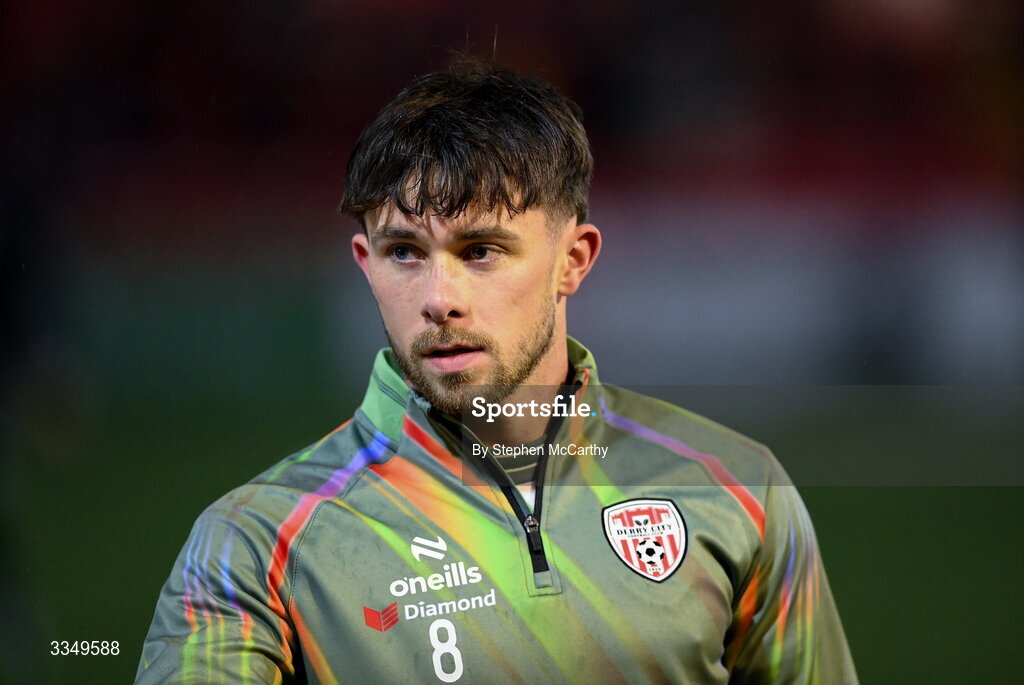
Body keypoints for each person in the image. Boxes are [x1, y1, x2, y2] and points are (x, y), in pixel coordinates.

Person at [136, 61, 858, 684]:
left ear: (573, 260)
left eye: (480, 250)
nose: (439, 299)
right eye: (404, 253)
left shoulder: (734, 489)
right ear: (366, 263)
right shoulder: (256, 544)